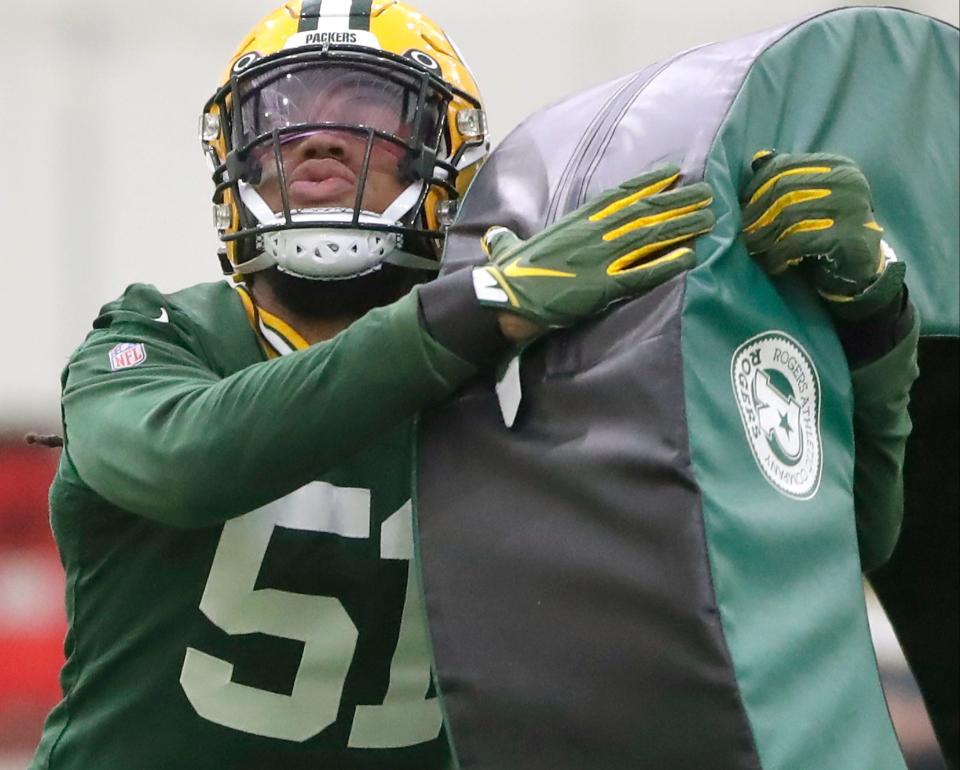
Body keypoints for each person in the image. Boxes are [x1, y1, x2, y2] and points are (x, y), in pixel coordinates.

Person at [29, 1, 916, 769]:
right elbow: (183, 461)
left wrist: (868, 331)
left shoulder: (533, 369)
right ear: (237, 156)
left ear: (442, 159)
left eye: (369, 105)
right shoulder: (160, 334)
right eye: (282, 111)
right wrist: (478, 310)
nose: (319, 134)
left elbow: (835, 545)